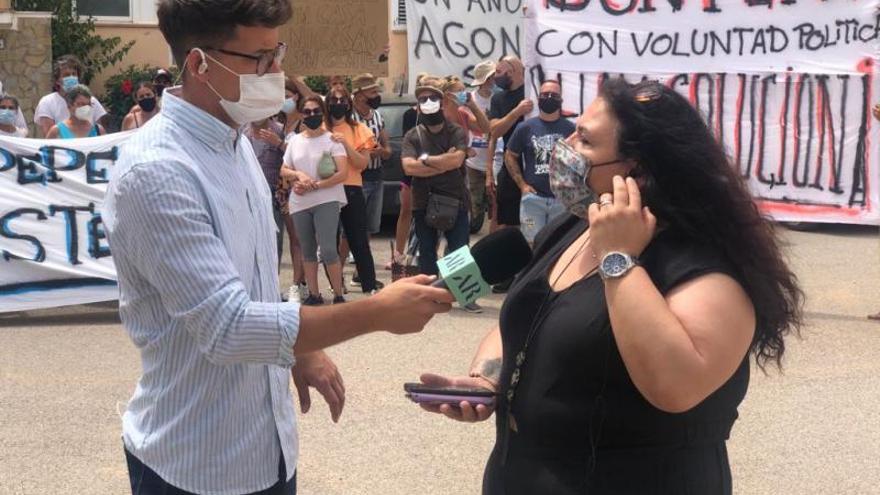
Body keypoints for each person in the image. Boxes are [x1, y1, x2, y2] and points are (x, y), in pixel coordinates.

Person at [102, 2, 455, 494]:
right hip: (195, 464)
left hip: (265, 449)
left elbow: (257, 281)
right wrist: (375, 312)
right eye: (261, 59)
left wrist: (297, 352)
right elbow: (227, 328)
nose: (277, 73)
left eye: (277, 54)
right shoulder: (158, 172)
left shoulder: (235, 142)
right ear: (201, 63)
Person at [418, 79, 803, 494]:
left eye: (584, 139)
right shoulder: (573, 226)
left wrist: (619, 259)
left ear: (636, 167)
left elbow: (676, 386)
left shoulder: (705, 266)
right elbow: (525, 320)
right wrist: (487, 378)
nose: (564, 146)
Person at [401, 76, 481, 314]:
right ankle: (429, 296)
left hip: (455, 198)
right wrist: (442, 161)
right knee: (426, 249)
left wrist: (424, 161)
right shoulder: (412, 136)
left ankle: (466, 296)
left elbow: (457, 160)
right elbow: (408, 168)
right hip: (423, 200)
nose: (428, 102)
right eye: (423, 99)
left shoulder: (456, 131)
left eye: (432, 97)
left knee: (459, 250)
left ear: (442, 101)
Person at [281, 95, 349, 305]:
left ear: (322, 113)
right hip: (300, 202)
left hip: (326, 199)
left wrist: (315, 185)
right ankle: (314, 294)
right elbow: (284, 169)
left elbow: (342, 173)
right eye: (307, 112)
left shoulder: (332, 139)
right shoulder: (295, 141)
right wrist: (298, 177)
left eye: (316, 111)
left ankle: (338, 294)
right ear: (301, 115)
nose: (312, 115)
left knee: (328, 248)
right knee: (307, 248)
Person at [326, 87, 383, 294]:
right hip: (327, 190)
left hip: (351, 188)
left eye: (342, 99)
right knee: (329, 243)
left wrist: (345, 146)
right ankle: (336, 285)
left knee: (358, 240)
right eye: (334, 99)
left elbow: (362, 164)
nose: (338, 103)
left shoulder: (359, 129)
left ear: (349, 104)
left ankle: (369, 286)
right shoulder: (321, 128)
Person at [505, 80, 574, 244]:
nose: (549, 97)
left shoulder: (571, 129)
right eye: (545, 94)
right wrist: (522, 185)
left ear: (561, 99)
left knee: (557, 246)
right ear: (538, 98)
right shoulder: (525, 127)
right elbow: (510, 155)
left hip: (561, 201)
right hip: (533, 200)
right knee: (531, 245)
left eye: (554, 95)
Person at [488, 55, 531, 292]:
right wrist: (516, 113)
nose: (496, 77)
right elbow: (495, 130)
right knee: (506, 221)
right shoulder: (499, 99)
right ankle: (505, 274)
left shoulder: (533, 89)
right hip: (510, 164)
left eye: (499, 71)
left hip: (535, 164)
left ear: (513, 71)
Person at [244, 105, 288, 299]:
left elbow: (293, 156)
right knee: (249, 242)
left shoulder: (278, 129)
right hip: (245, 193)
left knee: (274, 242)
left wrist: (278, 143)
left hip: (271, 194)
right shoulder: (241, 130)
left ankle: (272, 288)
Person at [351, 73, 392, 271]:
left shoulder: (377, 117)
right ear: (359, 95)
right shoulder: (349, 119)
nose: (376, 95)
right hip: (357, 178)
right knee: (350, 229)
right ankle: (339, 273)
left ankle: (362, 270)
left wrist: (380, 152)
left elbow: (388, 149)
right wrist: (364, 153)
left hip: (376, 177)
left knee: (368, 228)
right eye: (372, 92)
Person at [34, 55, 108, 137]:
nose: (71, 77)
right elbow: (49, 135)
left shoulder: (91, 100)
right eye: (66, 75)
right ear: (57, 80)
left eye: (74, 74)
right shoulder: (47, 102)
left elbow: (98, 133)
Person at [467, 60, 498, 234]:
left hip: (493, 159)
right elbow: (471, 125)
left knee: (495, 200)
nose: (493, 81)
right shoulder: (470, 99)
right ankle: (474, 227)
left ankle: (493, 232)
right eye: (490, 77)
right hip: (474, 160)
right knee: (475, 201)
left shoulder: (498, 99)